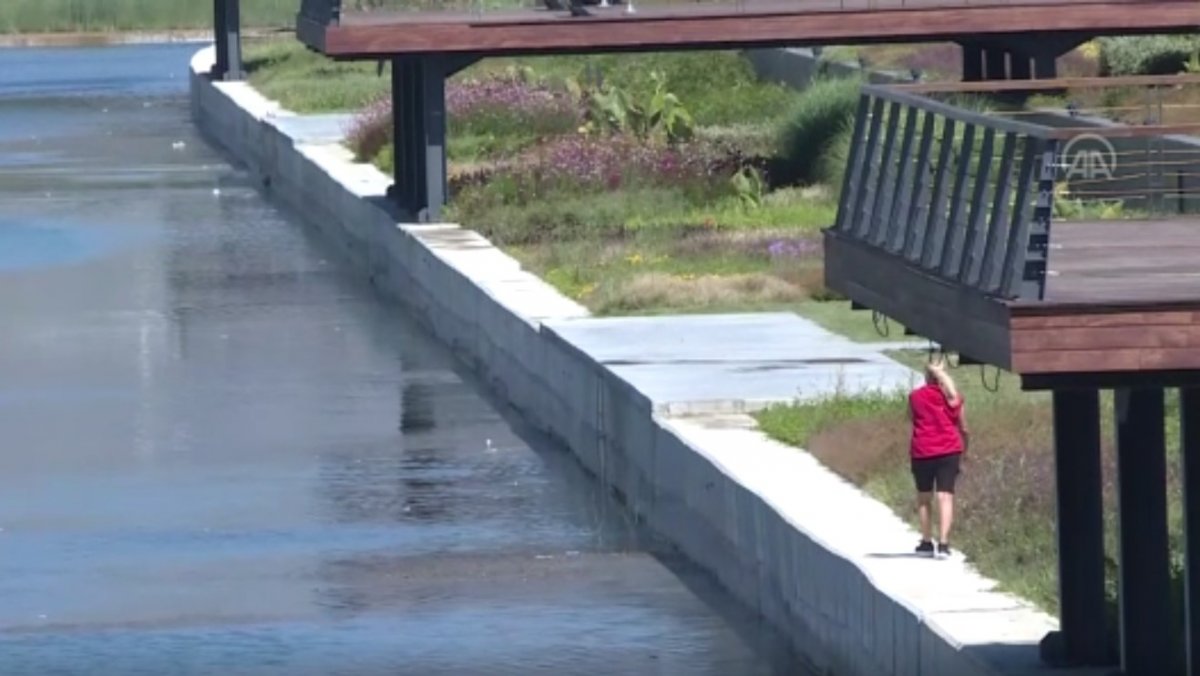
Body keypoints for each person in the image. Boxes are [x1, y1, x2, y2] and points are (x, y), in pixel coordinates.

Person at [908, 359, 968, 559]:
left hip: (922, 450)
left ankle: (926, 542)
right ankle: (943, 543)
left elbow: (910, 417)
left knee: (924, 497)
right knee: (945, 496)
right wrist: (965, 449)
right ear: (944, 377)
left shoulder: (915, 396)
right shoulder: (953, 398)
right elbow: (964, 428)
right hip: (949, 450)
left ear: (926, 376)